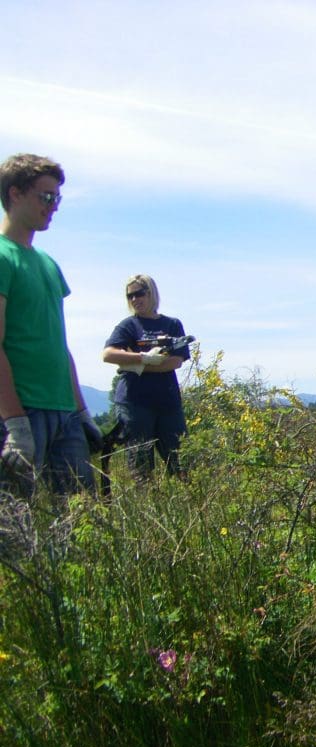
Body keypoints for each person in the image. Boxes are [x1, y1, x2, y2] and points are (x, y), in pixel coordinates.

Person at [0, 153, 99, 496]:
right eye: (45, 196)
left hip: (64, 413)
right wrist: (15, 423)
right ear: (15, 194)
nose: (53, 205)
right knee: (14, 524)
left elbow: (60, 344)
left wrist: (83, 413)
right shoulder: (1, 257)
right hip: (21, 411)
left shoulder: (49, 264)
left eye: (57, 198)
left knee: (77, 520)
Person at [101, 275, 189, 478]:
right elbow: (108, 354)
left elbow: (175, 362)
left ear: (151, 293)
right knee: (141, 465)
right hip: (134, 403)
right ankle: (145, 506)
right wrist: (143, 358)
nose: (134, 299)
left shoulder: (173, 325)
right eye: (129, 296)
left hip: (168, 403)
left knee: (181, 461)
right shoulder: (128, 326)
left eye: (139, 293)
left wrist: (133, 366)